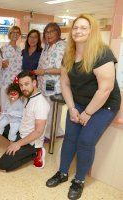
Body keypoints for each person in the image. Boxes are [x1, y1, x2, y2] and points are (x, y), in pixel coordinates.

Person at [46, 14, 121, 200]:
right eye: (75, 27)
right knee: (70, 137)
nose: (78, 31)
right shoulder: (69, 54)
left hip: (104, 105)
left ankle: (79, 180)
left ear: (92, 31)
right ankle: (63, 173)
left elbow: (105, 89)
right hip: (79, 102)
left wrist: (87, 113)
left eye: (83, 28)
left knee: (85, 140)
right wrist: (72, 108)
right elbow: (64, 84)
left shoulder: (102, 53)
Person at [0, 71, 50, 171]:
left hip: (31, 141)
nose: (23, 88)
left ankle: (36, 153)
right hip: (22, 133)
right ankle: (20, 146)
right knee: (1, 126)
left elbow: (38, 132)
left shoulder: (40, 104)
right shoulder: (28, 96)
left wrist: (18, 144)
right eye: (21, 85)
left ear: (34, 83)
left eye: (26, 84)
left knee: (3, 165)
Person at [34, 23, 66, 140]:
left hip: (55, 84)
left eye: (52, 31)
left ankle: (51, 134)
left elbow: (63, 69)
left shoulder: (62, 46)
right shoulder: (47, 47)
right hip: (45, 83)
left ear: (58, 32)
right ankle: (56, 131)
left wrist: (45, 71)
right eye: (47, 32)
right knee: (46, 109)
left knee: (53, 110)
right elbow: (42, 64)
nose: (49, 34)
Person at [1, 26, 23, 111]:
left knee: (14, 105)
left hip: (16, 82)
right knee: (5, 105)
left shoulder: (19, 49)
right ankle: (5, 124)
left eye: (17, 32)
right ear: (10, 34)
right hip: (6, 81)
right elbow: (0, 64)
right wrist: (2, 64)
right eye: (13, 32)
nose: (15, 34)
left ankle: (12, 124)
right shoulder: (4, 47)